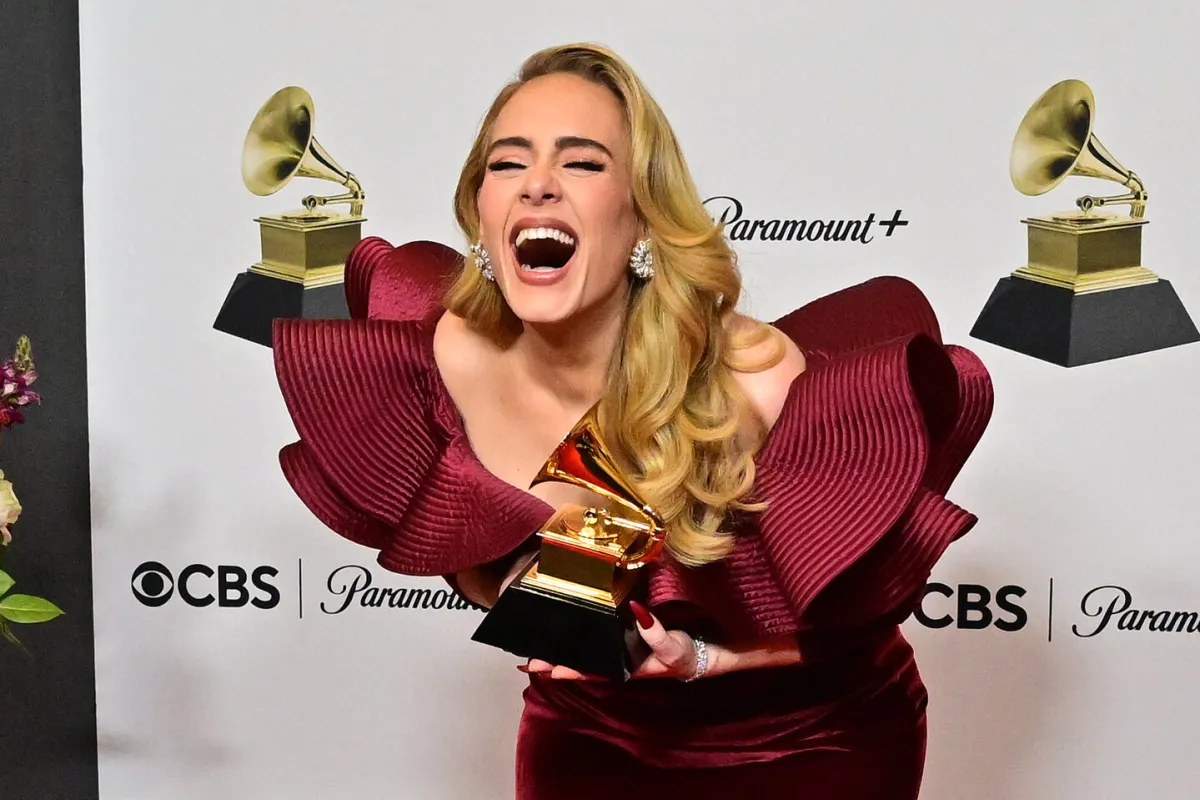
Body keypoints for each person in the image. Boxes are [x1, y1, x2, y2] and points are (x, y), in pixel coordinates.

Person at [271, 42, 993, 800]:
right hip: (589, 732)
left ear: (644, 219)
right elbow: (460, 542)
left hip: (805, 735)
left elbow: (853, 617)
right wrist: (529, 588)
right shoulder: (439, 359)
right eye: (507, 163)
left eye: (582, 163)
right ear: (481, 213)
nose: (537, 186)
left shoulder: (750, 376)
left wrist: (703, 660)